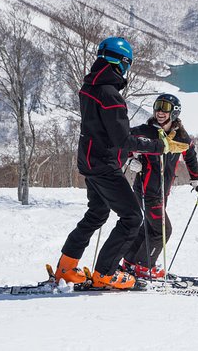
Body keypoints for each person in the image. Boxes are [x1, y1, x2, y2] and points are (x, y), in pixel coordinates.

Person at [54, 38, 189, 289]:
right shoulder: (111, 96)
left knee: (96, 213)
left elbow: (102, 131)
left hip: (88, 160)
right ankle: (105, 273)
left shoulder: (89, 87)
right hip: (104, 165)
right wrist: (160, 147)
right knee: (131, 218)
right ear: (123, 63)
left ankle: (66, 266)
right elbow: (123, 140)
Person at [122, 93, 198, 279]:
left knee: (150, 227)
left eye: (165, 107)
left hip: (162, 191)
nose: (160, 111)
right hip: (146, 190)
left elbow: (190, 154)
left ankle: (129, 262)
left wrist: (196, 181)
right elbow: (122, 140)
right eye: (157, 106)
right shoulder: (145, 130)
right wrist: (131, 159)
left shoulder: (181, 137)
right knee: (162, 230)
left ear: (174, 112)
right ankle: (144, 267)